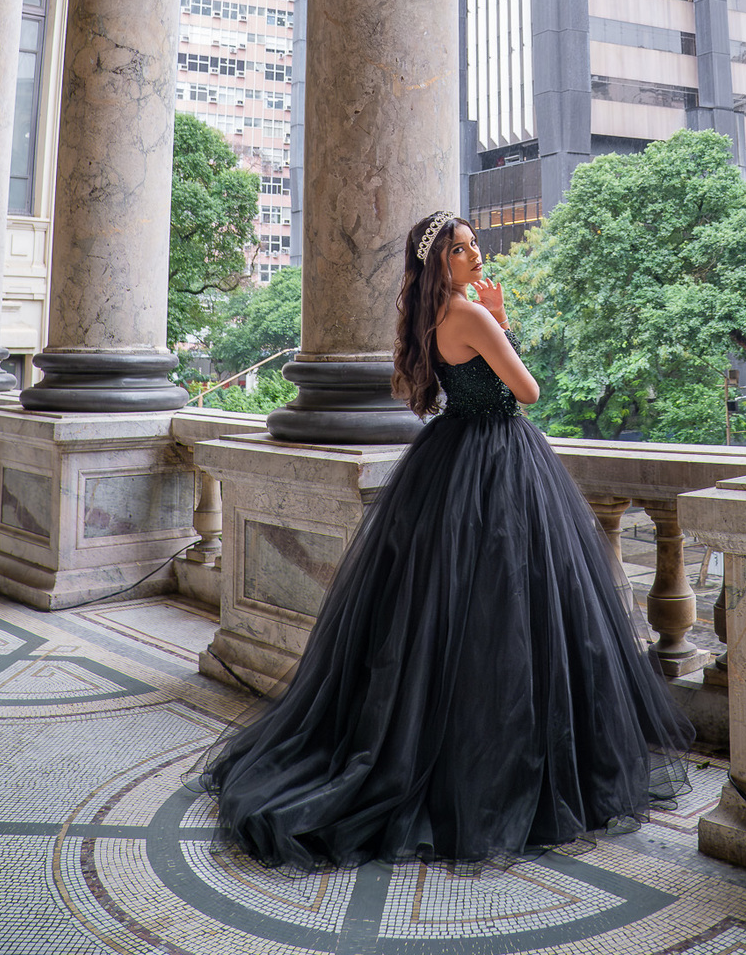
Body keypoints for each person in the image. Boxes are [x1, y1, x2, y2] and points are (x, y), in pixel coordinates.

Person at [202, 210, 693, 868]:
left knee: (449, 617)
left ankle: (445, 749)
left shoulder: (428, 320)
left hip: (450, 458)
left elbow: (433, 387)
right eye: (461, 250)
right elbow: (527, 389)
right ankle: (499, 768)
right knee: (509, 615)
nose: (475, 256)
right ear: (440, 264)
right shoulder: (474, 316)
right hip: (499, 458)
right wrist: (499, 321)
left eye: (475, 245)